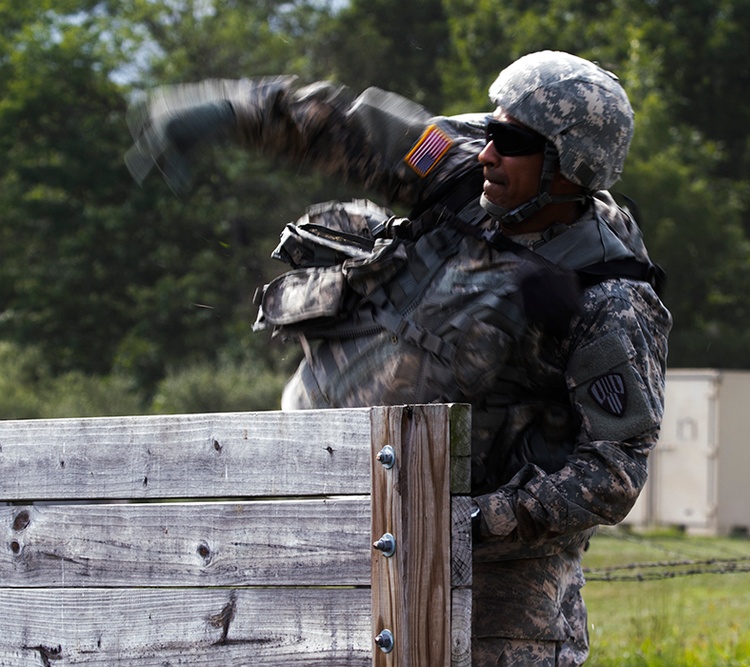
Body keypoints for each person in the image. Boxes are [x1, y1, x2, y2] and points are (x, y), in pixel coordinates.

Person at [125, 50, 671, 666]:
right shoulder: (458, 175)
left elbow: (612, 474)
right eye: (492, 130)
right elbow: (355, 129)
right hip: (344, 546)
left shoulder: (608, 297)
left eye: (512, 141)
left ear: (571, 166)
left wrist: (457, 525)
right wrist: (234, 111)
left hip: (497, 597)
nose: (488, 151)